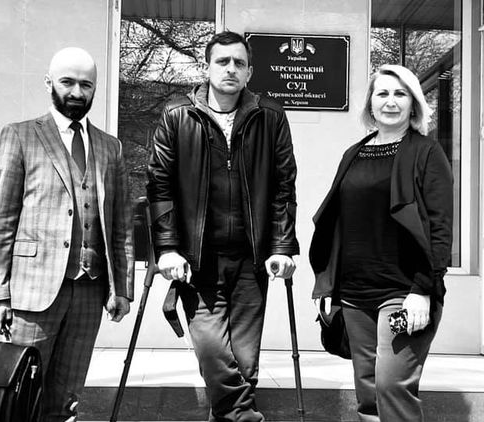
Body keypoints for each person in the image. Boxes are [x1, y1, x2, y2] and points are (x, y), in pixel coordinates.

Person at [147, 30, 299, 422]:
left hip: (252, 259)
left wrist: (282, 247)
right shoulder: (178, 116)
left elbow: (284, 187)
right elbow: (160, 187)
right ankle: (245, 417)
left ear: (250, 72)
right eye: (222, 61)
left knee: (244, 363)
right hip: (198, 260)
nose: (230, 69)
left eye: (239, 63)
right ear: (207, 67)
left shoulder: (270, 116)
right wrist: (167, 248)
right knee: (213, 351)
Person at [0, 47, 134, 422]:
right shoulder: (20, 136)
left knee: (66, 401)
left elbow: (121, 225)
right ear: (48, 83)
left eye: (86, 84)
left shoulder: (110, 147)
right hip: (33, 293)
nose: (77, 92)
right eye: (68, 82)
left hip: (89, 292)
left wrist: (122, 288)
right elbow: (1, 220)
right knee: (19, 397)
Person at [309, 64, 453, 422]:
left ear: (414, 104)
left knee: (392, 387)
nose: (391, 101)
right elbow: (340, 223)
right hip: (355, 295)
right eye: (383, 93)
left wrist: (423, 289)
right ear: (370, 103)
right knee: (369, 394)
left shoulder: (426, 152)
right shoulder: (353, 154)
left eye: (400, 94)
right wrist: (330, 284)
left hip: (403, 292)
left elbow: (439, 227)